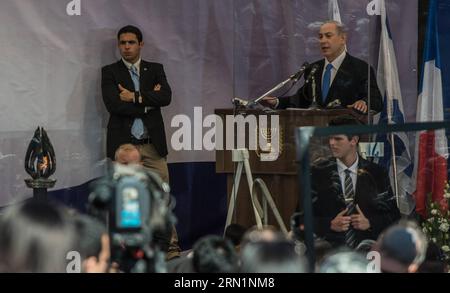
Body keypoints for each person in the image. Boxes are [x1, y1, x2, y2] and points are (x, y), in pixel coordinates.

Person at [311, 116, 400, 249]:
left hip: (367, 251)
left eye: (338, 139)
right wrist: (329, 224)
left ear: (353, 140)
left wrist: (370, 223)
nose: (332, 143)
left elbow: (394, 217)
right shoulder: (318, 173)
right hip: (329, 251)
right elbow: (300, 219)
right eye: (330, 138)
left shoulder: (376, 173)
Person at [263, 20, 382, 114]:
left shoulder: (360, 68)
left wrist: (364, 102)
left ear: (343, 39)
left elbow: (376, 100)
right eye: (320, 37)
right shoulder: (314, 68)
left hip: (347, 136)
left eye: (328, 36)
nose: (323, 41)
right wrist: (276, 102)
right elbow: (302, 99)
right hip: (316, 135)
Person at [102, 25, 171, 184]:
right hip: (124, 146)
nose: (126, 47)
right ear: (118, 45)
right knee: (125, 196)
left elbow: (165, 97)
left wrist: (134, 96)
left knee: (160, 195)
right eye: (122, 43)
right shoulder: (110, 71)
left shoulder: (155, 69)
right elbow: (114, 106)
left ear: (141, 44)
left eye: (131, 42)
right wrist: (149, 104)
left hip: (153, 146)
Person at [113, 143, 181, 261]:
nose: (128, 169)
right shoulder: (106, 191)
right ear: (115, 164)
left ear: (140, 165)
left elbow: (163, 231)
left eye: (132, 164)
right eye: (124, 164)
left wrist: (152, 256)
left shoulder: (152, 194)